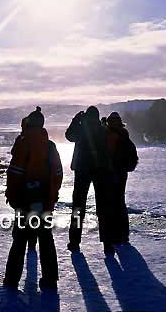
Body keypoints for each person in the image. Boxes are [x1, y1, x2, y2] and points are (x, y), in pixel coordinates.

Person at [4, 106, 63, 290]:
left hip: (24, 200)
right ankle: (50, 280)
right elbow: (58, 173)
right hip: (44, 200)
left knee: (20, 240)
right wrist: (52, 196)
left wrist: (12, 196)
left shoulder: (23, 144)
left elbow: (14, 173)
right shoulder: (50, 145)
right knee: (46, 239)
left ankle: (11, 281)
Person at [65, 106, 110, 254]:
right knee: (103, 207)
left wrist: (76, 120)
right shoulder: (102, 130)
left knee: (78, 207)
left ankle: (74, 241)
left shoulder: (82, 130)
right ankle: (107, 243)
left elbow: (69, 135)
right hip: (100, 171)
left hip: (82, 170)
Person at [102, 112, 138, 244]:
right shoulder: (124, 136)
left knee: (114, 203)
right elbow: (133, 156)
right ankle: (122, 234)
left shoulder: (110, 135)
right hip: (120, 173)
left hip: (113, 173)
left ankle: (116, 234)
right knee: (119, 203)